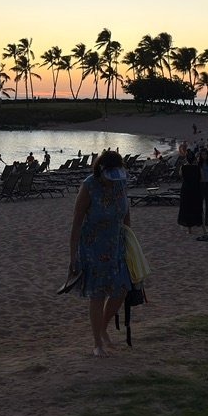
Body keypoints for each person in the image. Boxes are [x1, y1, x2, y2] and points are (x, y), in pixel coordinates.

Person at [68, 150, 133, 357]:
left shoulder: (121, 183)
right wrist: (73, 256)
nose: (113, 181)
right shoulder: (89, 186)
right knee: (98, 294)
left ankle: (103, 328)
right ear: (101, 171)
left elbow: (127, 213)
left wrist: (130, 242)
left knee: (121, 289)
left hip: (117, 245)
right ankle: (97, 342)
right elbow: (77, 222)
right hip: (93, 248)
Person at [176, 149, 204, 239]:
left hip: (186, 189)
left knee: (187, 207)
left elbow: (180, 175)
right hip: (196, 188)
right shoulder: (197, 167)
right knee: (197, 207)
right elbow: (201, 178)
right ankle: (202, 226)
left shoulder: (183, 167)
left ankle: (189, 229)